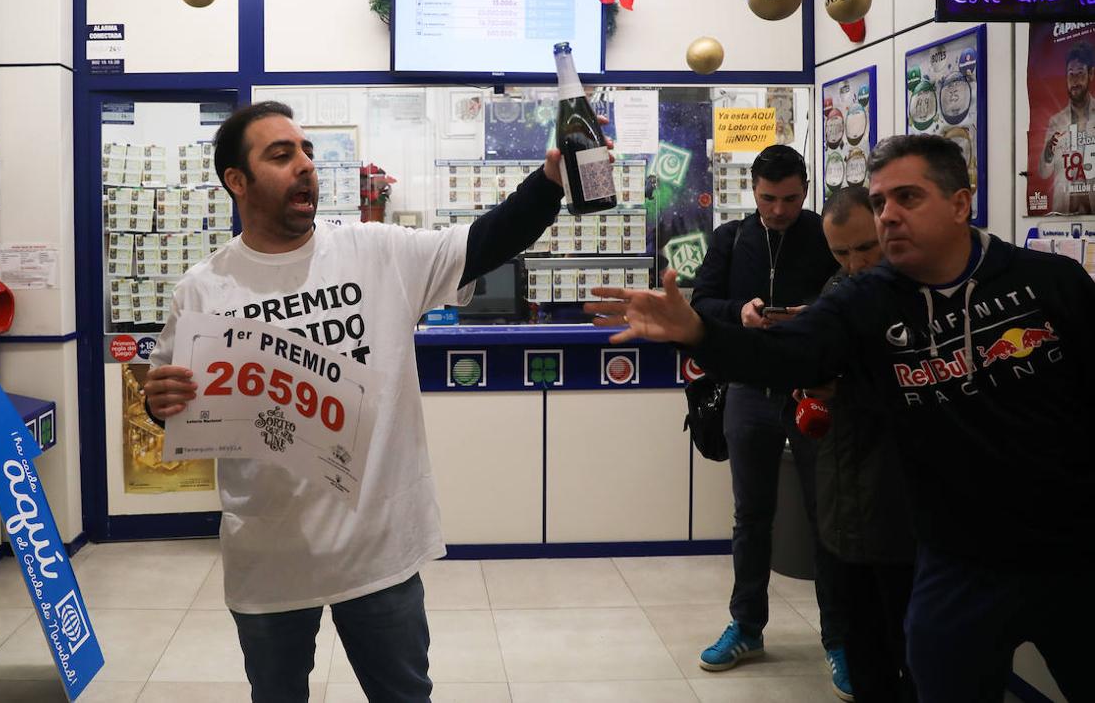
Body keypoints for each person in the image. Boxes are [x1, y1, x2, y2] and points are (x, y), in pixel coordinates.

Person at [587, 134, 1095, 703]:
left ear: (960, 202)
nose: (889, 217)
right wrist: (700, 333)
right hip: (957, 562)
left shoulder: (1050, 283)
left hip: (1073, 552)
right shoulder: (867, 302)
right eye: (881, 203)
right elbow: (784, 354)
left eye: (908, 197)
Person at [143, 100, 583, 702]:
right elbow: (170, 399)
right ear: (236, 182)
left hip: (378, 545)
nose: (304, 166)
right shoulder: (203, 286)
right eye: (281, 155)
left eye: (307, 153)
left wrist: (552, 179)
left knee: (403, 696)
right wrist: (159, 400)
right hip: (270, 550)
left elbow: (487, 241)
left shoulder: (376, 252)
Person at [688, 144, 850, 698]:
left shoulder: (826, 233)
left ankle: (840, 638)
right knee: (751, 517)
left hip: (814, 392)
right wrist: (740, 313)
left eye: (789, 199)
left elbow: (854, 295)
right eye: (767, 199)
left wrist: (815, 313)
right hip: (749, 391)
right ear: (752, 190)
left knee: (826, 515)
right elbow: (702, 302)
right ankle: (747, 628)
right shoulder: (732, 239)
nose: (779, 210)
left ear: (805, 189)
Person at [806, 187, 917, 703]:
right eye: (840, 253)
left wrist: (846, 388)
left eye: (862, 248)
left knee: (914, 644)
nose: (854, 264)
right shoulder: (837, 293)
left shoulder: (919, 293)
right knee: (864, 643)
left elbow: (915, 387)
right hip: (845, 495)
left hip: (907, 505)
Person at [1038, 42, 1095, 214]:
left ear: (1091, 74)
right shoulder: (1056, 122)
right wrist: (1048, 150)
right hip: (1063, 216)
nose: (1075, 81)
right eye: (1071, 75)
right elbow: (1043, 172)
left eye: (1080, 74)